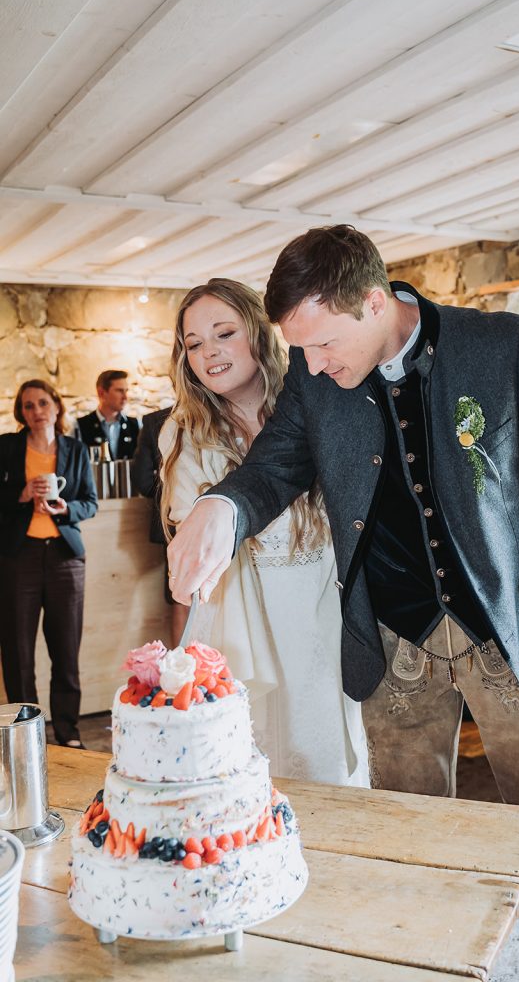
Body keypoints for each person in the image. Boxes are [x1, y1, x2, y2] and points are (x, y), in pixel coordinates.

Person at [167, 226, 519, 982]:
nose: (313, 367)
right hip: (395, 650)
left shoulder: (503, 346)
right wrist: (219, 509)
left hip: (514, 630)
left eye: (322, 345)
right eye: (303, 352)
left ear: (375, 301)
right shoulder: (315, 383)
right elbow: (267, 471)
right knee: (420, 840)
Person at [159, 278, 368, 786]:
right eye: (194, 344)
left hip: (328, 611)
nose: (209, 352)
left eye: (224, 333)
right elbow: (192, 566)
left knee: (336, 767)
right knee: (259, 774)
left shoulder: (317, 405)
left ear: (257, 332)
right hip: (246, 626)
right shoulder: (185, 434)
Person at [0, 379, 97, 747]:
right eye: (28, 406)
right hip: (17, 558)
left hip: (64, 558)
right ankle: (25, 735)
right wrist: (22, 493)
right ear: (20, 412)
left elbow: (89, 501)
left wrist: (66, 507)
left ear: (56, 407)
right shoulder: (7, 447)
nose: (36, 411)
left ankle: (68, 733)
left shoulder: (74, 449)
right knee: (18, 652)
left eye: (42, 403)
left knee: (66, 651)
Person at [131, 407, 190, 647]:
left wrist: (175, 497)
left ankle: (183, 672)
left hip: (175, 523)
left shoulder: (156, 420)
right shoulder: (223, 407)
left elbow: (143, 481)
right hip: (226, 519)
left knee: (181, 598)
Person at [77, 370, 140, 459]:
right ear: (101, 393)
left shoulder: (135, 425)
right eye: (119, 391)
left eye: (126, 391)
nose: (125, 397)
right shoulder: (81, 426)